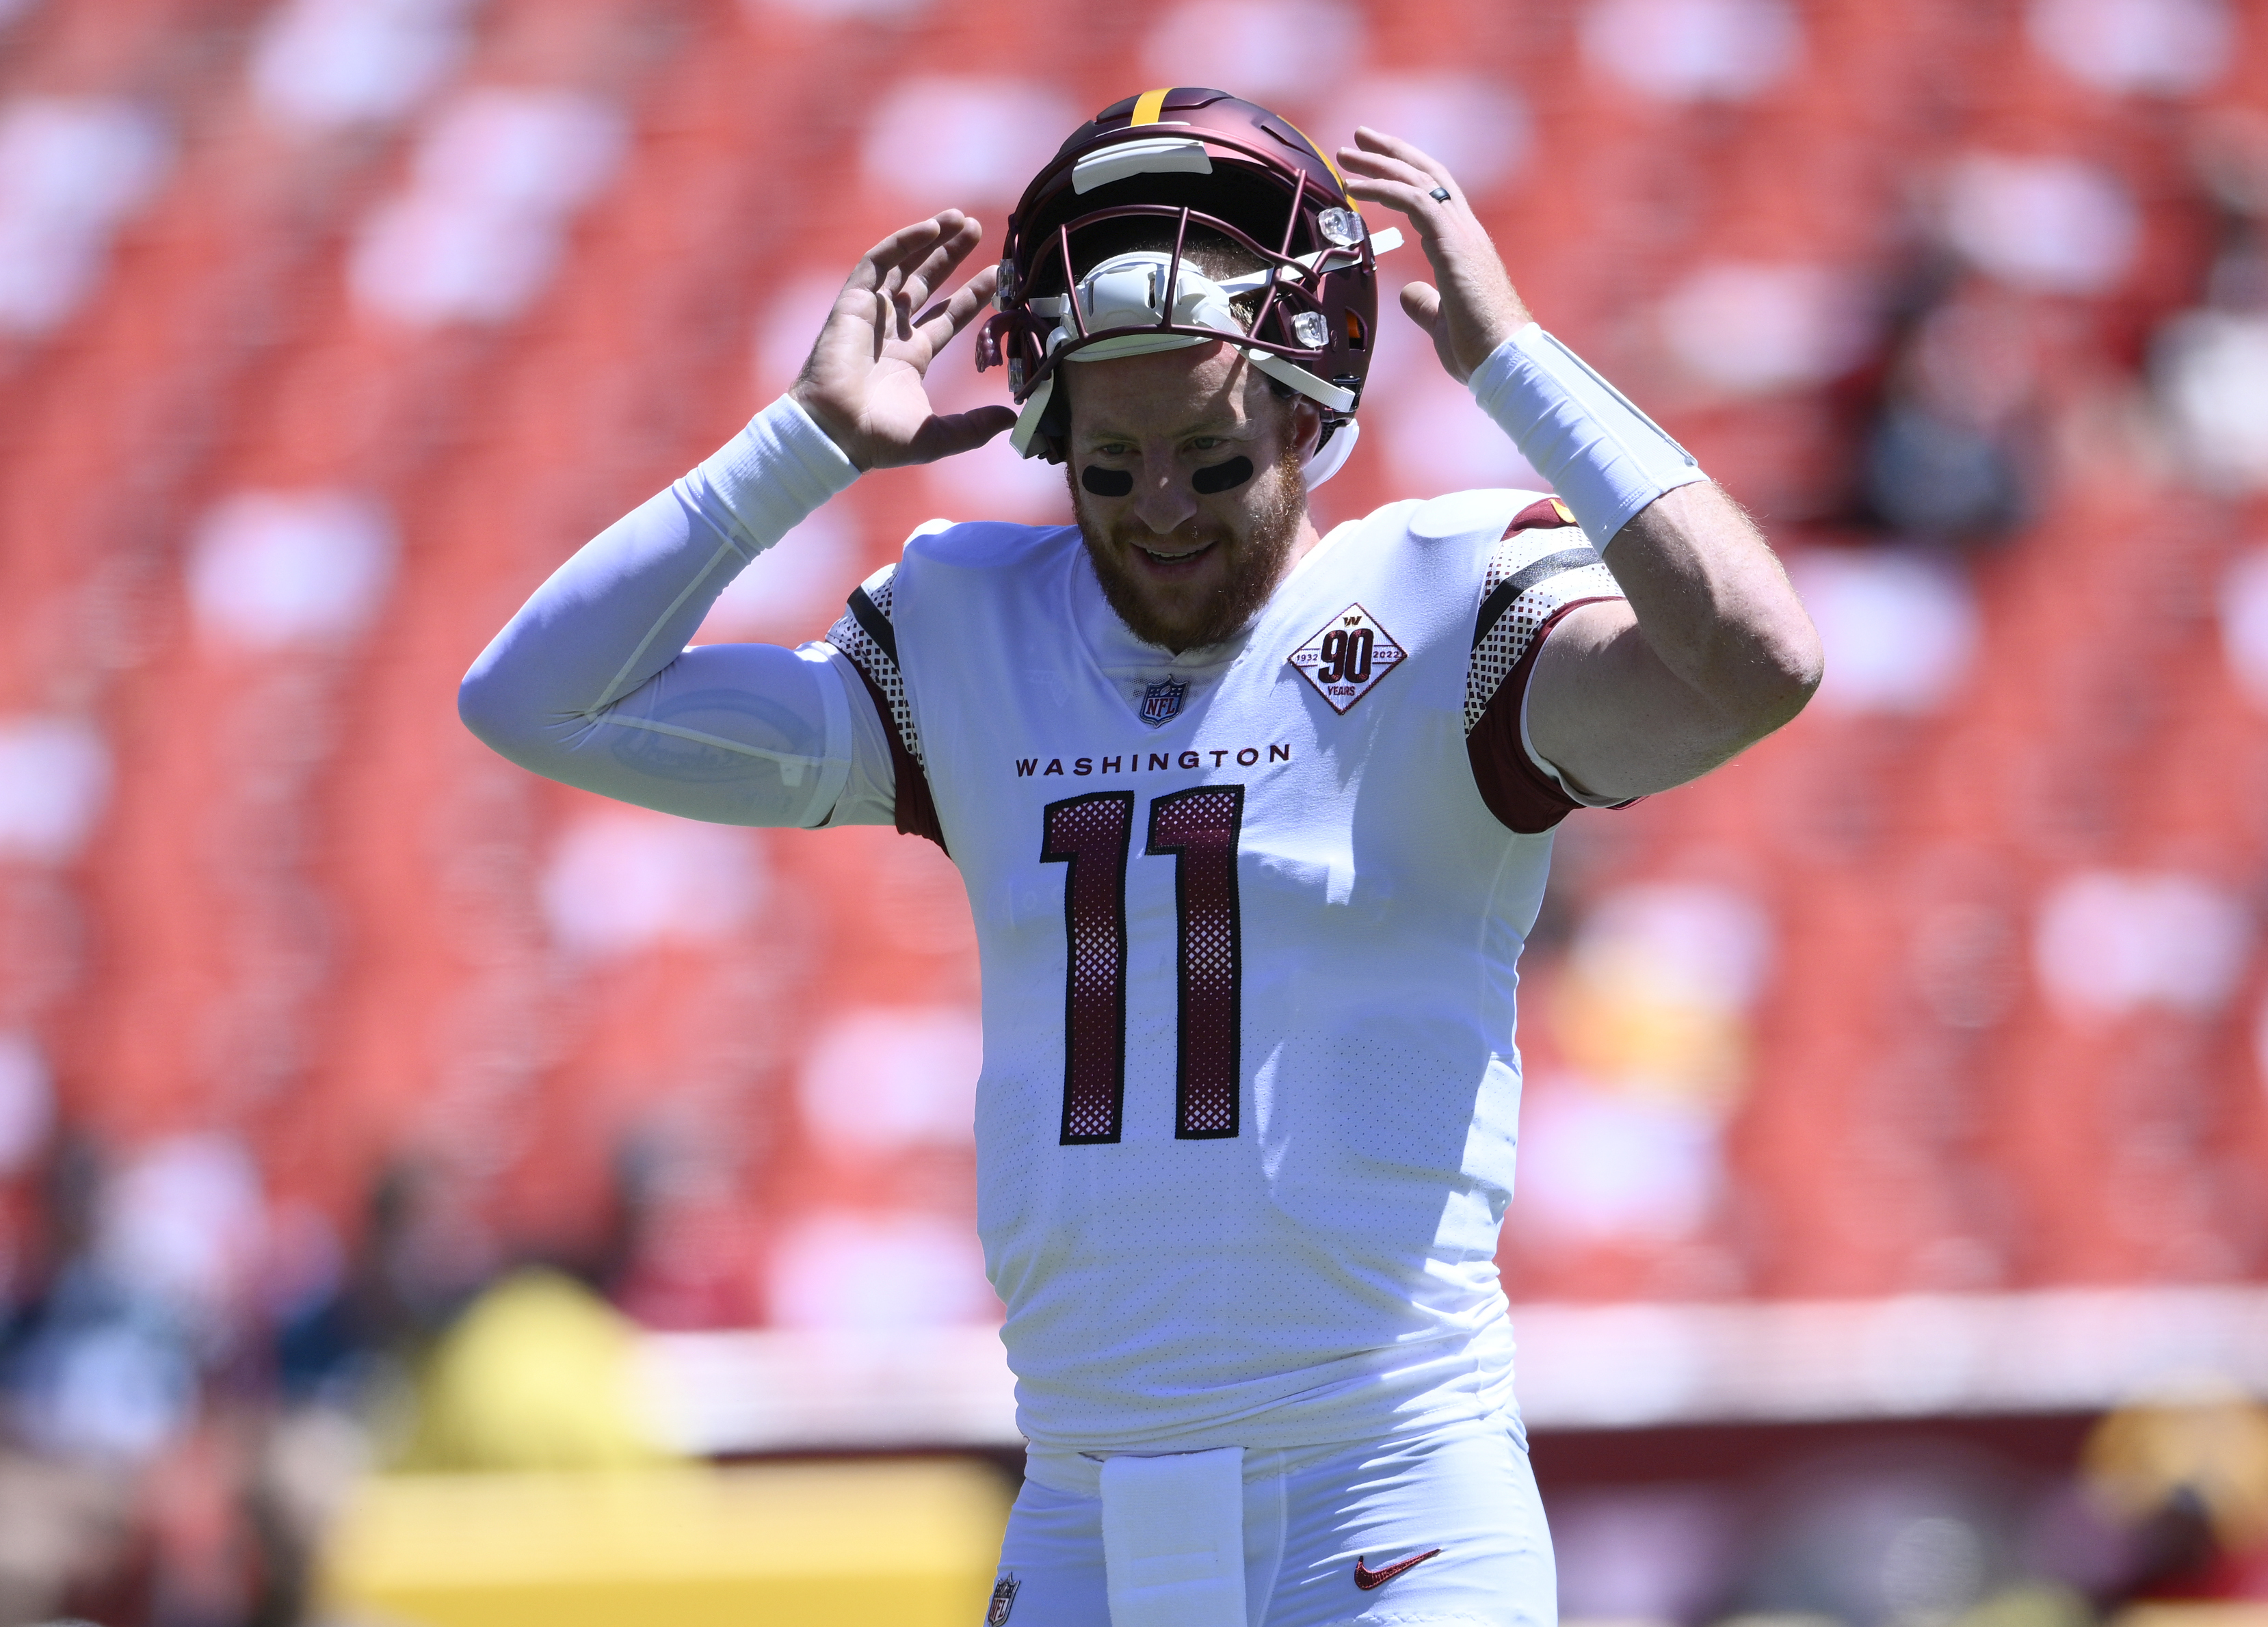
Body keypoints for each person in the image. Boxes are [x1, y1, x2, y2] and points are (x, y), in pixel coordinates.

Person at [460, 89, 1820, 1627]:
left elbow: (1754, 662)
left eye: (1209, 457)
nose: (1159, 508)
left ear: (1310, 413)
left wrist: (1515, 361)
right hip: (1083, 1508)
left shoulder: (1443, 605)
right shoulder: (978, 628)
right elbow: (531, 699)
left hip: (1383, 1497)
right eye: (1110, 468)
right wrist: (806, 447)